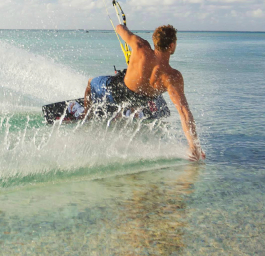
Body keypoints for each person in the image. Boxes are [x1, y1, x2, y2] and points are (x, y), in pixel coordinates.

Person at [84, 24, 205, 161]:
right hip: (143, 101)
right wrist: (194, 146)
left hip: (116, 93)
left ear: (154, 41)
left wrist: (123, 26)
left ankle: (86, 116)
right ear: (172, 46)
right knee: (151, 96)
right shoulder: (172, 76)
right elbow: (184, 112)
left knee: (90, 83)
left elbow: (119, 28)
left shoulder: (140, 46)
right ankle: (127, 111)